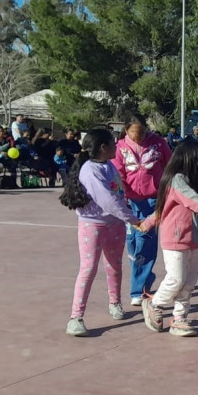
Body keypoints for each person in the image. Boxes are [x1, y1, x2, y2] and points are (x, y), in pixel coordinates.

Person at [139, 142, 198, 337]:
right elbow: (196, 202)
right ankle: (154, 303)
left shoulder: (190, 180)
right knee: (176, 279)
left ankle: (180, 318)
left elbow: (162, 208)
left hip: (194, 238)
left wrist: (147, 223)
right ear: (191, 158)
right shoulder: (177, 180)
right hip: (175, 239)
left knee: (189, 282)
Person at [59, 129, 144, 336]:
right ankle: (75, 317)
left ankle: (115, 303)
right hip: (93, 226)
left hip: (115, 225)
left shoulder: (109, 166)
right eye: (113, 144)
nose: (117, 147)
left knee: (114, 266)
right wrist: (134, 220)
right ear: (103, 148)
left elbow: (119, 193)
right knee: (88, 269)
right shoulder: (90, 170)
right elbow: (107, 199)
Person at [112, 118, 171, 307]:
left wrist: (167, 191)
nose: (138, 137)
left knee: (145, 241)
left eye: (142, 133)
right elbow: (118, 173)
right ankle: (145, 278)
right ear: (126, 131)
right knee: (132, 244)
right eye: (133, 133)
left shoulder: (158, 143)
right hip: (130, 201)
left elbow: (170, 165)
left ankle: (138, 290)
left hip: (153, 199)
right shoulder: (119, 147)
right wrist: (122, 197)